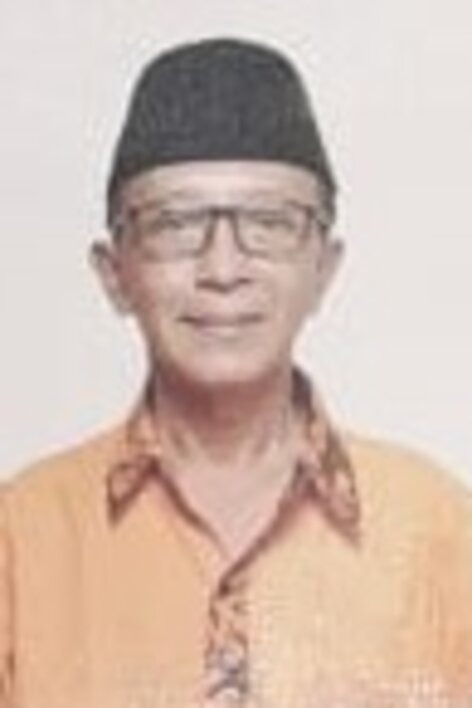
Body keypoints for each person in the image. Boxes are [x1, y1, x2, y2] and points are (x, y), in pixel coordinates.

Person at [1, 38, 471, 708]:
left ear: (324, 269)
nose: (223, 269)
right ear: (114, 274)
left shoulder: (440, 531)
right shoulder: (20, 540)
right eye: (175, 224)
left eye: (270, 223)